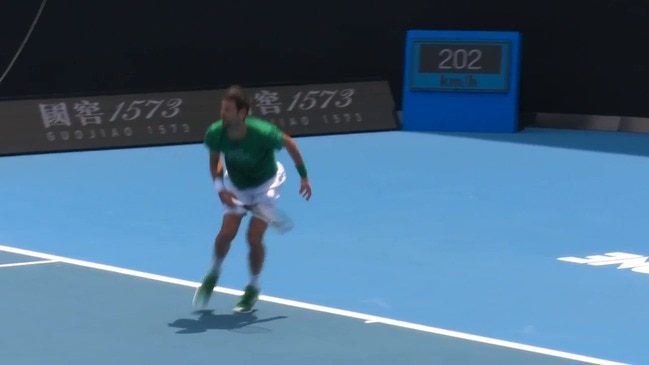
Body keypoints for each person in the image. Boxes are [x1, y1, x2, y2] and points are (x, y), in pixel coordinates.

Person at [193, 85, 312, 313]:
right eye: (222, 109)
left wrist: (304, 177)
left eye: (228, 110)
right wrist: (221, 189)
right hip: (237, 184)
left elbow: (290, 144)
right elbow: (215, 161)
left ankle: (253, 287)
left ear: (242, 112)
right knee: (226, 234)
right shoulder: (216, 132)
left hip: (266, 185)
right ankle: (214, 273)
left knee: (253, 237)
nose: (223, 114)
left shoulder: (263, 132)